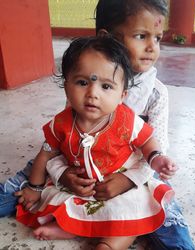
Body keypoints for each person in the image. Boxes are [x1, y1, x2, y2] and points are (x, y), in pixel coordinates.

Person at [0, 0, 195, 249]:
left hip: (135, 166)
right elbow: (64, 137)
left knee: (168, 222)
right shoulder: (85, 80)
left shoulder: (155, 93)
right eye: (140, 36)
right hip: (79, 160)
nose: (151, 48)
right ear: (108, 38)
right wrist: (63, 174)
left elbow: (156, 150)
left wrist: (128, 181)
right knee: (19, 189)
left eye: (157, 38)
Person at [16, 36, 174, 250]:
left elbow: (147, 141)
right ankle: (68, 229)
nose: (92, 93)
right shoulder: (61, 124)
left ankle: (109, 245)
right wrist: (34, 188)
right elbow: (45, 155)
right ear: (66, 87)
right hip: (81, 186)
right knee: (67, 204)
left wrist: (157, 159)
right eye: (82, 83)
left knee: (130, 213)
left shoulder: (126, 120)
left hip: (121, 182)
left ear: (122, 95)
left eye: (106, 86)